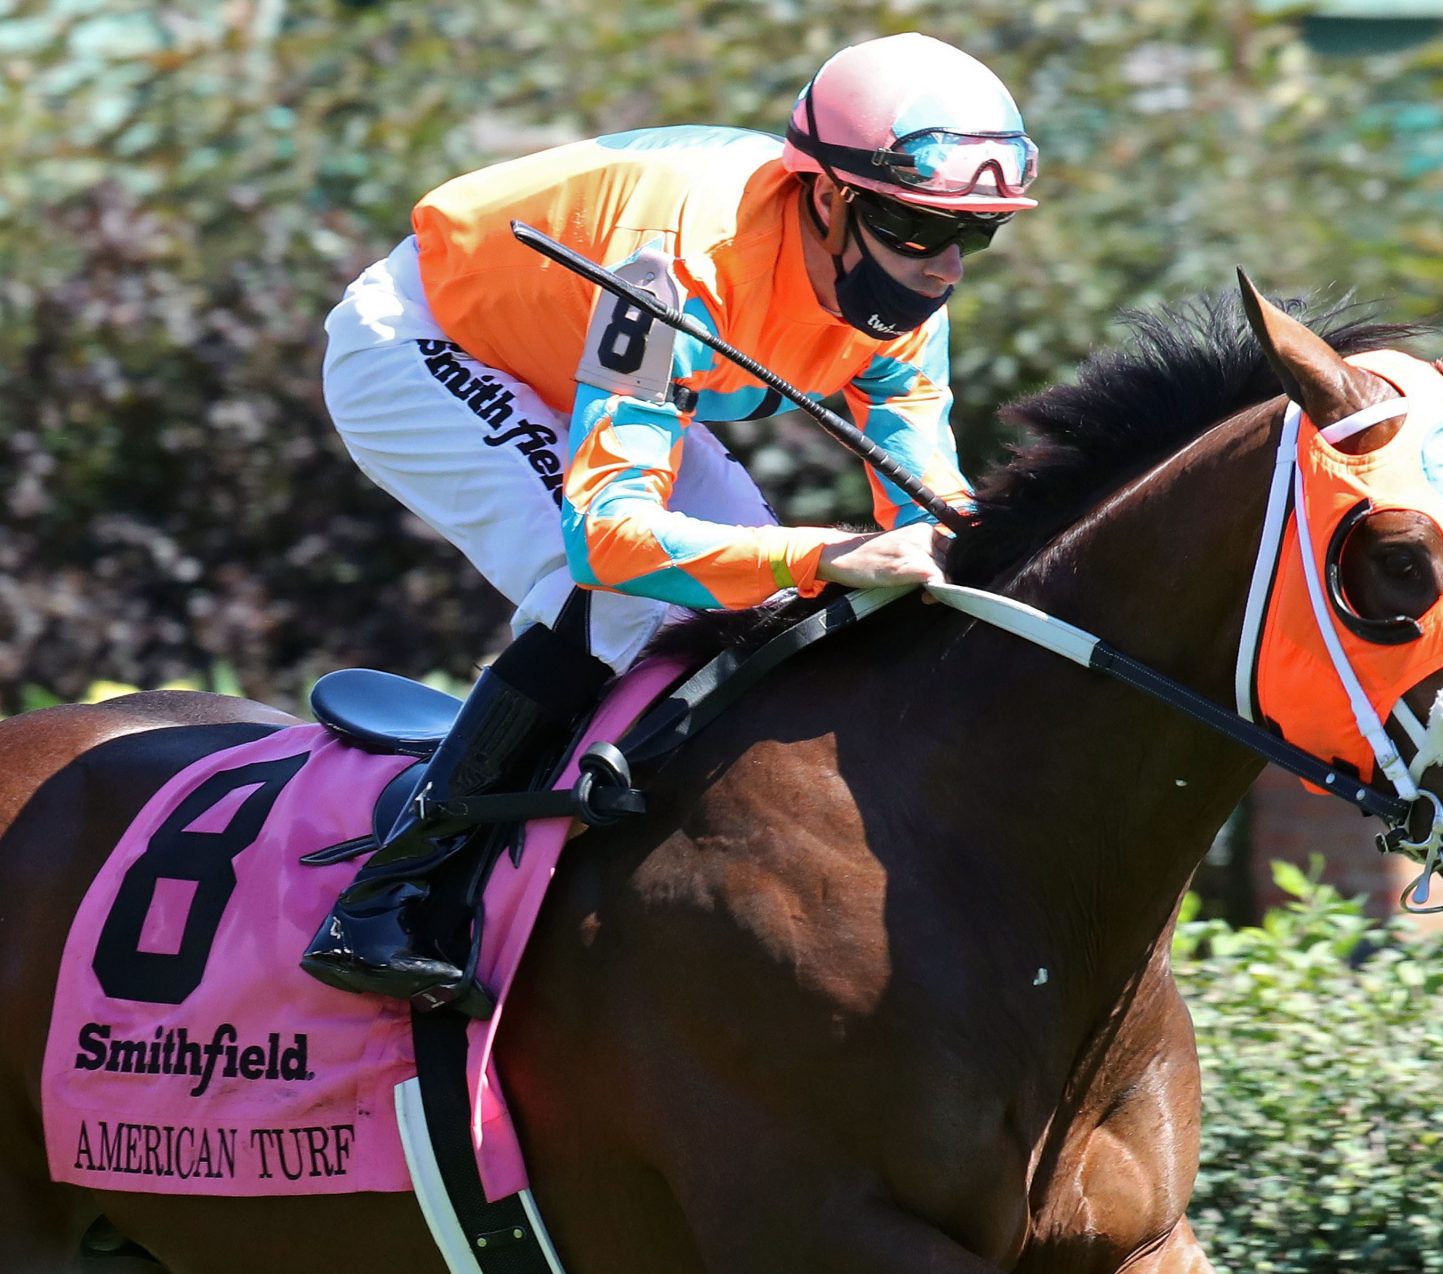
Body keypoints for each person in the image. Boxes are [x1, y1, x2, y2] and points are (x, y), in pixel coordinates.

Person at [302, 32, 1040, 1007]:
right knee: (610, 591)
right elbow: (608, 540)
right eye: (914, 231)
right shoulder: (677, 264)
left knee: (742, 590)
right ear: (829, 197)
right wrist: (835, 554)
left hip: (578, 368)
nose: (942, 269)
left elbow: (932, 507)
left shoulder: (908, 293)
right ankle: (391, 892)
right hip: (426, 348)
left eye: (970, 236)